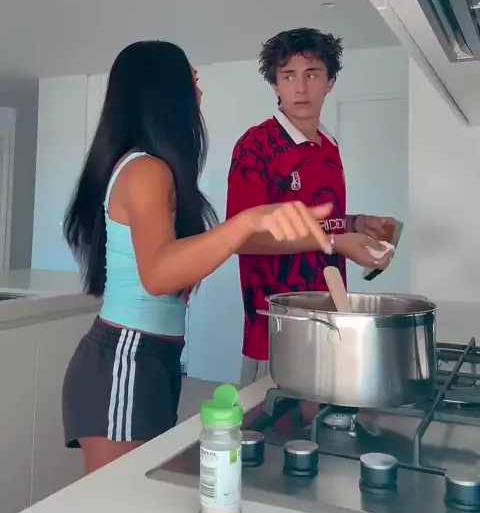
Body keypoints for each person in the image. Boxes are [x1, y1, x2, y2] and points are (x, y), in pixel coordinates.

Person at [62, 40, 333, 475]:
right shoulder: (145, 170)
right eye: (192, 80)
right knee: (118, 504)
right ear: (165, 91)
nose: (200, 91)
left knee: (138, 498)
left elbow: (171, 265)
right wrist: (245, 222)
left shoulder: (155, 169)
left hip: (152, 358)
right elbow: (158, 274)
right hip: (125, 358)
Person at [226, 27, 396, 385]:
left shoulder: (329, 146)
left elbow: (314, 220)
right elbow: (241, 237)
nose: (300, 88)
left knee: (326, 418)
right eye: (288, 75)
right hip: (274, 329)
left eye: (312, 74)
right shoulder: (255, 145)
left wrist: (356, 223)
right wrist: (335, 242)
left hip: (332, 322)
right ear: (275, 85)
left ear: (330, 82)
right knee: (269, 419)